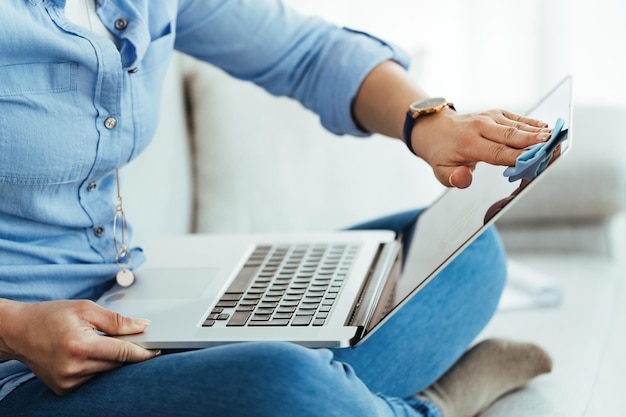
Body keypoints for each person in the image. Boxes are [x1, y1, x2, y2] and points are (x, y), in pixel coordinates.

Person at [0, 1, 554, 416]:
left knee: (461, 253)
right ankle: (422, 407)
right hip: (26, 367)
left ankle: (336, 398)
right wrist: (17, 328)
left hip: (127, 301)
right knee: (279, 380)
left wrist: (431, 123)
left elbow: (307, 54)